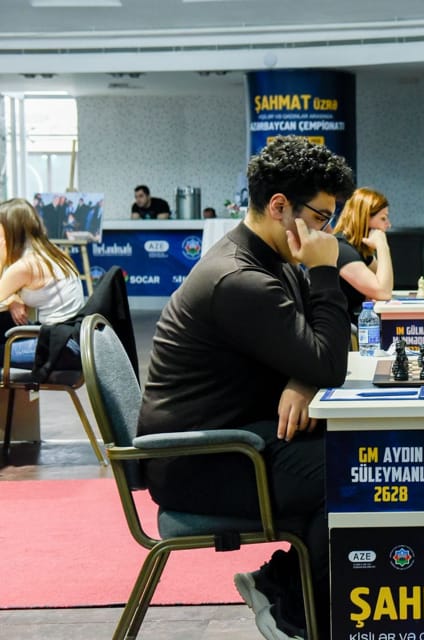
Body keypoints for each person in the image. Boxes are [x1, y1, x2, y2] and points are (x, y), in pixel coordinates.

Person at [137, 136, 356, 639]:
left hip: (242, 439)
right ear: (279, 206)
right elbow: (330, 362)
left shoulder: (268, 262)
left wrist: (303, 375)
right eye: (321, 218)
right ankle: (296, 613)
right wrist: (325, 271)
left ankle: (281, 585)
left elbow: (323, 350)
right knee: (354, 471)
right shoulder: (239, 278)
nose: (328, 233)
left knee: (355, 454)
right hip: (204, 460)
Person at [0, 198, 84, 367]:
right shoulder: (52, 252)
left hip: (61, 347)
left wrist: (1, 257)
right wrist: (11, 299)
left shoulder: (26, 265)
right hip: (72, 339)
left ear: (10, 231)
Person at [331, 187, 393, 324]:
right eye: (383, 218)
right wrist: (382, 245)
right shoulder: (342, 250)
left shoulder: (358, 249)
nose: (388, 224)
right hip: (334, 328)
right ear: (364, 219)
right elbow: (383, 292)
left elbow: (386, 283)